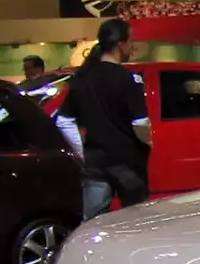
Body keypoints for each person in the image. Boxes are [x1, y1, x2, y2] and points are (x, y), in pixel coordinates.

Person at [62, 18, 150, 218]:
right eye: (131, 41)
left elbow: (64, 121)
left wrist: (81, 152)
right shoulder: (129, 79)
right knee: (136, 220)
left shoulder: (82, 78)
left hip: (95, 163)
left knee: (93, 221)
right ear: (120, 44)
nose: (133, 47)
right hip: (127, 162)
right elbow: (140, 123)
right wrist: (148, 141)